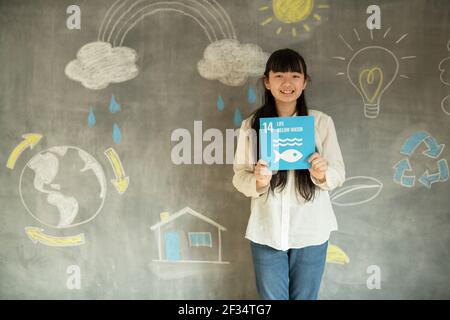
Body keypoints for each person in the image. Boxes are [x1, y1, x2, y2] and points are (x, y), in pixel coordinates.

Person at [232, 48, 345, 300]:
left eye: (295, 76)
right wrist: (258, 181)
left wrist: (322, 172)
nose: (287, 83)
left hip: (311, 229)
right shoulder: (251, 125)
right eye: (279, 75)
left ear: (304, 82)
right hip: (266, 229)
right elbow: (239, 175)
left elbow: (338, 173)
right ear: (267, 82)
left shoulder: (321, 123)